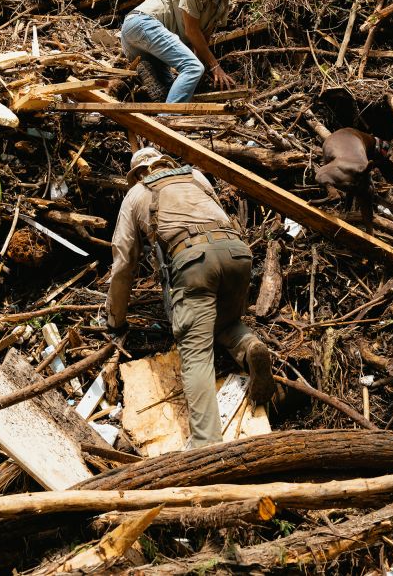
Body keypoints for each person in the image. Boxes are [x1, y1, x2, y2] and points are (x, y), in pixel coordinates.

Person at [106, 146, 274, 448]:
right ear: (165, 162)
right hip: (237, 253)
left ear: (139, 174)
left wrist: (115, 319)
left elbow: (123, 263)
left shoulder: (136, 195)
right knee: (223, 325)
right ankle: (250, 347)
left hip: (195, 262)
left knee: (195, 352)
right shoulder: (195, 176)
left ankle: (206, 444)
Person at [119, 0, 251, 103]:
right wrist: (215, 66)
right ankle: (168, 120)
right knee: (193, 68)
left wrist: (201, 78)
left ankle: (159, 115)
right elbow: (192, 31)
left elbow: (203, 39)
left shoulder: (224, 4)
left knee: (172, 90)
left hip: (152, 48)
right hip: (141, 24)